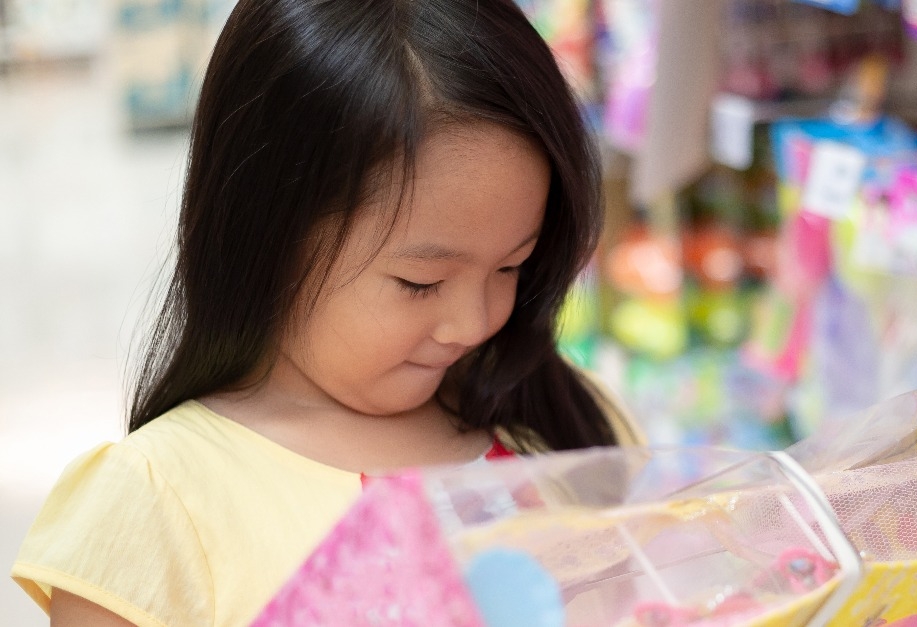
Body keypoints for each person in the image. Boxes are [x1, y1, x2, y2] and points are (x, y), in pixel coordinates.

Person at [11, 1, 641, 625]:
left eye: (512, 266)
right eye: (420, 282)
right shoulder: (156, 508)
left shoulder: (568, 425)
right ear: (267, 237)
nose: (474, 323)